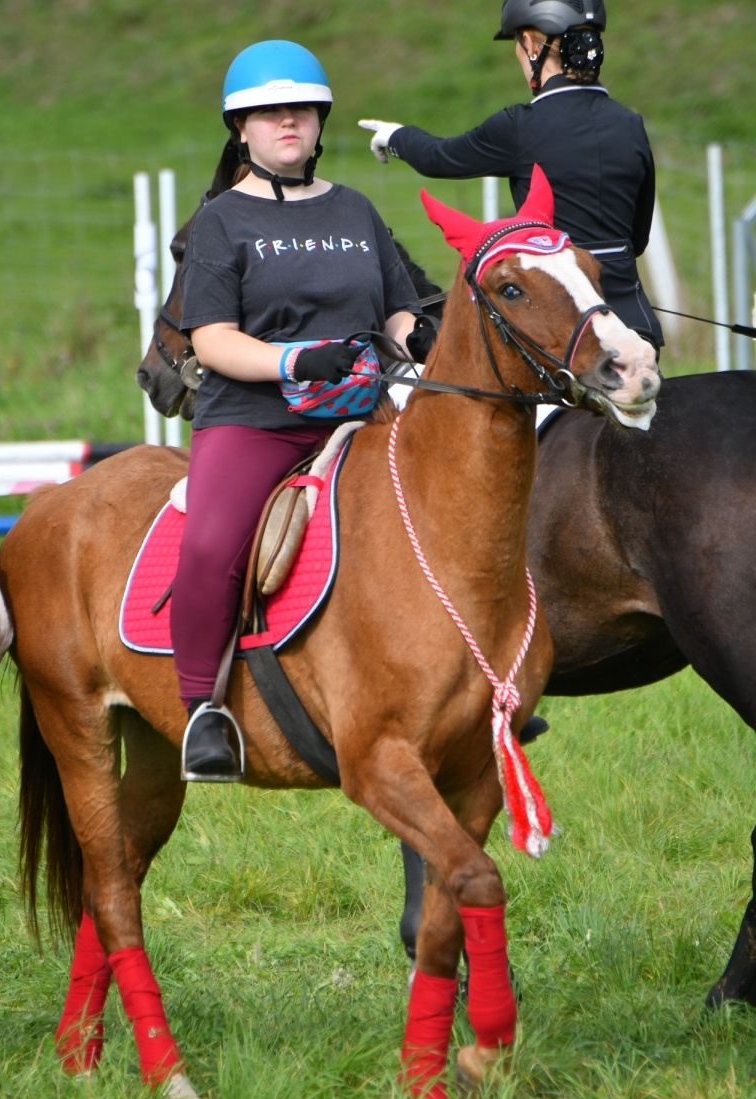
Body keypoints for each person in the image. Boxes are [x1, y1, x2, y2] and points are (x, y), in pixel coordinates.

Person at [172, 40, 434, 781]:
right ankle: (203, 712)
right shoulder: (221, 221)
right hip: (256, 420)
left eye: (301, 109)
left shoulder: (356, 208)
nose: (287, 120)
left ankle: (471, 687)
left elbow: (397, 314)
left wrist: (421, 335)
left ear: (320, 122)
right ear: (242, 130)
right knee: (211, 544)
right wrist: (291, 359)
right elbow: (212, 339)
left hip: (363, 412)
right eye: (268, 111)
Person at [358, 0, 664, 352]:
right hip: (635, 325)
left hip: (562, 330)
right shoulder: (630, 124)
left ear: (532, 45)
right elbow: (637, 240)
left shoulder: (521, 126)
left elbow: (440, 158)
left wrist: (396, 137)